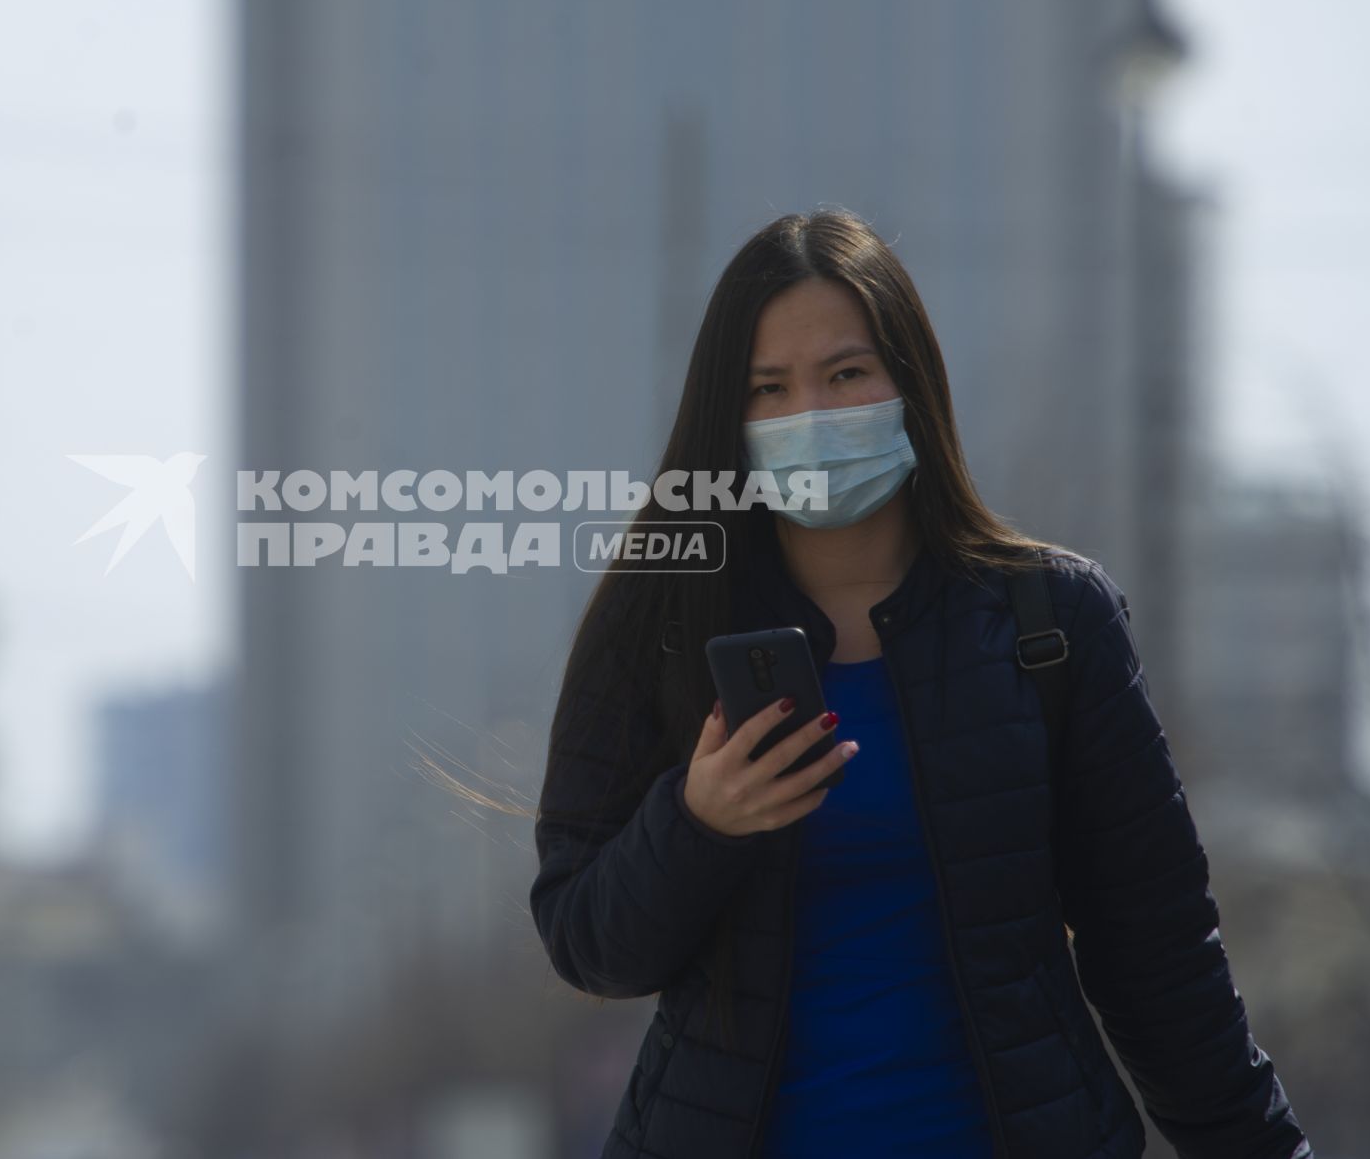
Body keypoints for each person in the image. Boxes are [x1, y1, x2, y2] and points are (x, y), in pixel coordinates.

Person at [528, 208, 1309, 1158]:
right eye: (768, 388)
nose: (811, 416)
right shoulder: (660, 622)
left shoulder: (1053, 620)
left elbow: (1160, 955)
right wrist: (696, 822)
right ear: (725, 419)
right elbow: (587, 939)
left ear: (911, 383)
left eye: (846, 374)